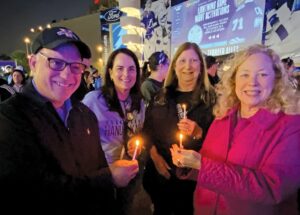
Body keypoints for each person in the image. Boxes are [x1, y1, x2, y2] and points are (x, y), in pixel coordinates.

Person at [0, 26, 124, 214]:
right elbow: (31, 192)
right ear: (33, 63)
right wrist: (109, 178)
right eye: (56, 63)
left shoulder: (84, 114)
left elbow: (99, 166)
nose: (67, 75)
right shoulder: (10, 117)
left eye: (75, 66)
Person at [171, 44, 300, 215]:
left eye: (262, 74)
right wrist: (187, 164)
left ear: (275, 80)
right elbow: (208, 163)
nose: (251, 82)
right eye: (244, 74)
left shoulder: (290, 127)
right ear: (234, 80)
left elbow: (272, 188)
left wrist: (201, 164)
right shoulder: (223, 117)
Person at [142, 42, 215, 215]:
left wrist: (199, 133)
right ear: (174, 66)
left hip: (193, 181)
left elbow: (222, 143)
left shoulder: (212, 100)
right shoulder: (160, 96)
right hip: (161, 176)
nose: (188, 67)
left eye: (194, 61)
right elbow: (147, 130)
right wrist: (155, 157)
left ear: (201, 66)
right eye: (182, 61)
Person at [82, 48, 146, 215]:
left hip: (130, 173)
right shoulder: (93, 100)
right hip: (104, 175)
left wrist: (135, 143)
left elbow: (138, 133)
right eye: (120, 68)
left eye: (132, 69)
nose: (126, 74)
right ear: (110, 72)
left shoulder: (139, 103)